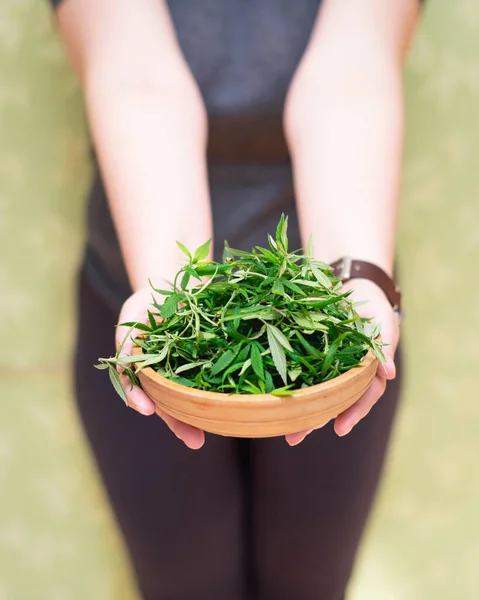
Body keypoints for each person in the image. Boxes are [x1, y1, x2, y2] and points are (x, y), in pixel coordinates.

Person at [50, 1, 423, 598]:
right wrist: (173, 296)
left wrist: (360, 276)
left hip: (337, 296)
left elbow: (351, 74)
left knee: (311, 583)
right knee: (183, 584)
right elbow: (136, 75)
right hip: (136, 280)